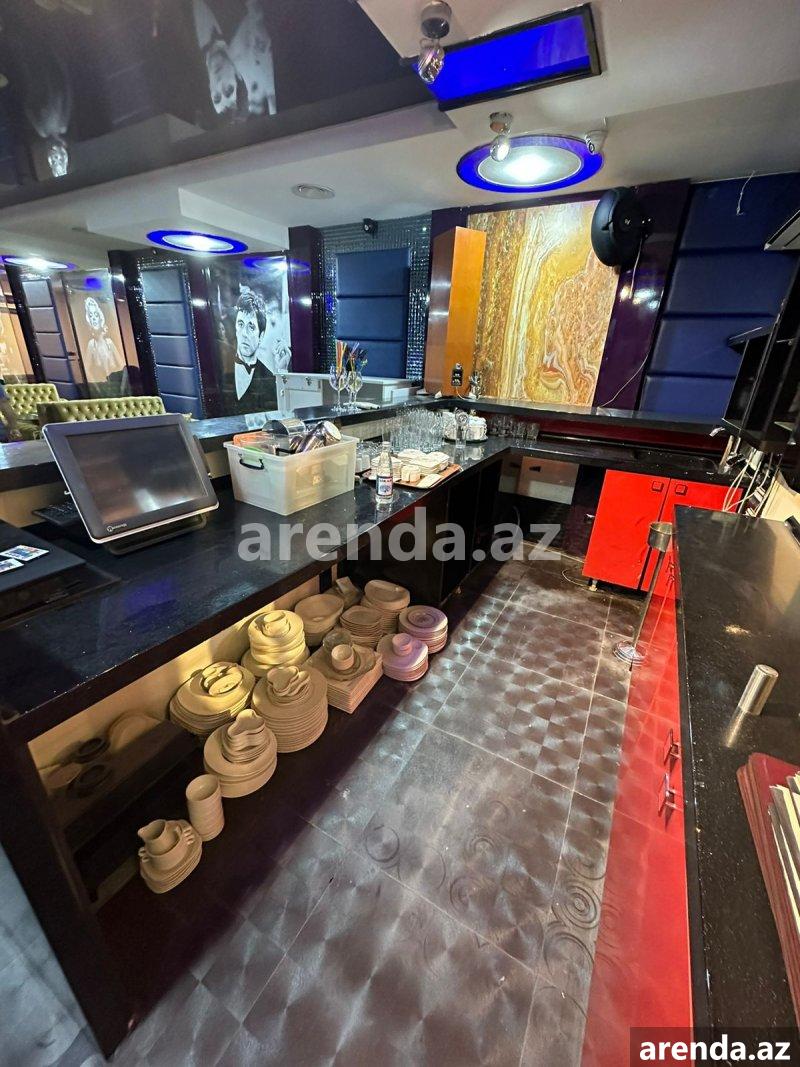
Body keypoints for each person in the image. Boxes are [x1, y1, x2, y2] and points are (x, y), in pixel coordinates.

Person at [192, 0, 276, 120]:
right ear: (237, 73)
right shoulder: (240, 28)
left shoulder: (189, 44)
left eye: (216, 97)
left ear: (209, 88)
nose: (219, 82)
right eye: (229, 89)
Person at [227, 290, 277, 414]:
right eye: (240, 324)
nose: (244, 333)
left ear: (261, 336)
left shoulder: (270, 379)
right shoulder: (222, 368)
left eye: (251, 327)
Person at [84, 296, 125, 382]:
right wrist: (95, 385)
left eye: (96, 315)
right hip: (102, 384)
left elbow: (122, 365)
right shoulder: (91, 345)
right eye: (91, 316)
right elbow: (85, 368)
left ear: (100, 317)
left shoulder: (109, 342)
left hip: (115, 384)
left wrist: (123, 384)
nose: (94, 318)